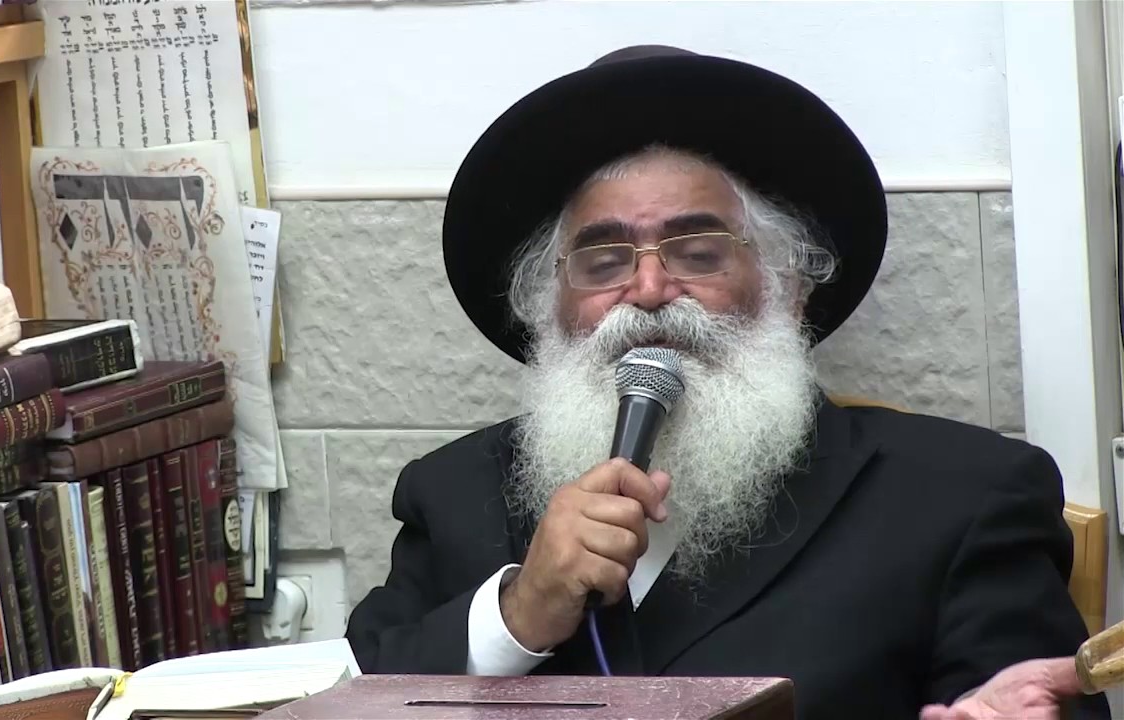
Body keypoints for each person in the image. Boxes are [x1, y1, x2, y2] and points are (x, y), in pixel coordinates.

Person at [343, 45, 1113, 720]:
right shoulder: (453, 493)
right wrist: (519, 614)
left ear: (787, 287)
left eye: (699, 253)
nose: (649, 290)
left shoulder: (961, 497)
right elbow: (350, 698)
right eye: (604, 262)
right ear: (550, 308)